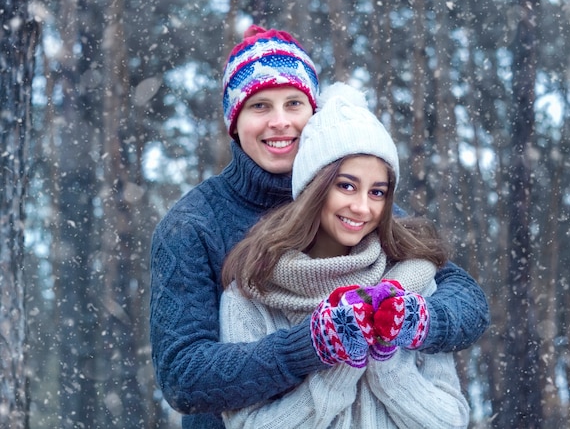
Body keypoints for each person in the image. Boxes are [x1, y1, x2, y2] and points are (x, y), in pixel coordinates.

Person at [149, 25, 489, 429]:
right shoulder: (192, 225)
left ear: (313, 113)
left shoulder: (351, 204)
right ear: (234, 121)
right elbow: (184, 377)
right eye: (260, 107)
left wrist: (420, 321)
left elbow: (465, 297)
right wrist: (311, 346)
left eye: (294, 103)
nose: (280, 122)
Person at [218, 82, 470, 428]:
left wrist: (386, 362)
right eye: (346, 186)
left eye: (377, 192)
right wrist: (337, 368)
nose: (362, 207)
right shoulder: (252, 291)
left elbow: (451, 419)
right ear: (313, 188)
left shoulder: (412, 284)